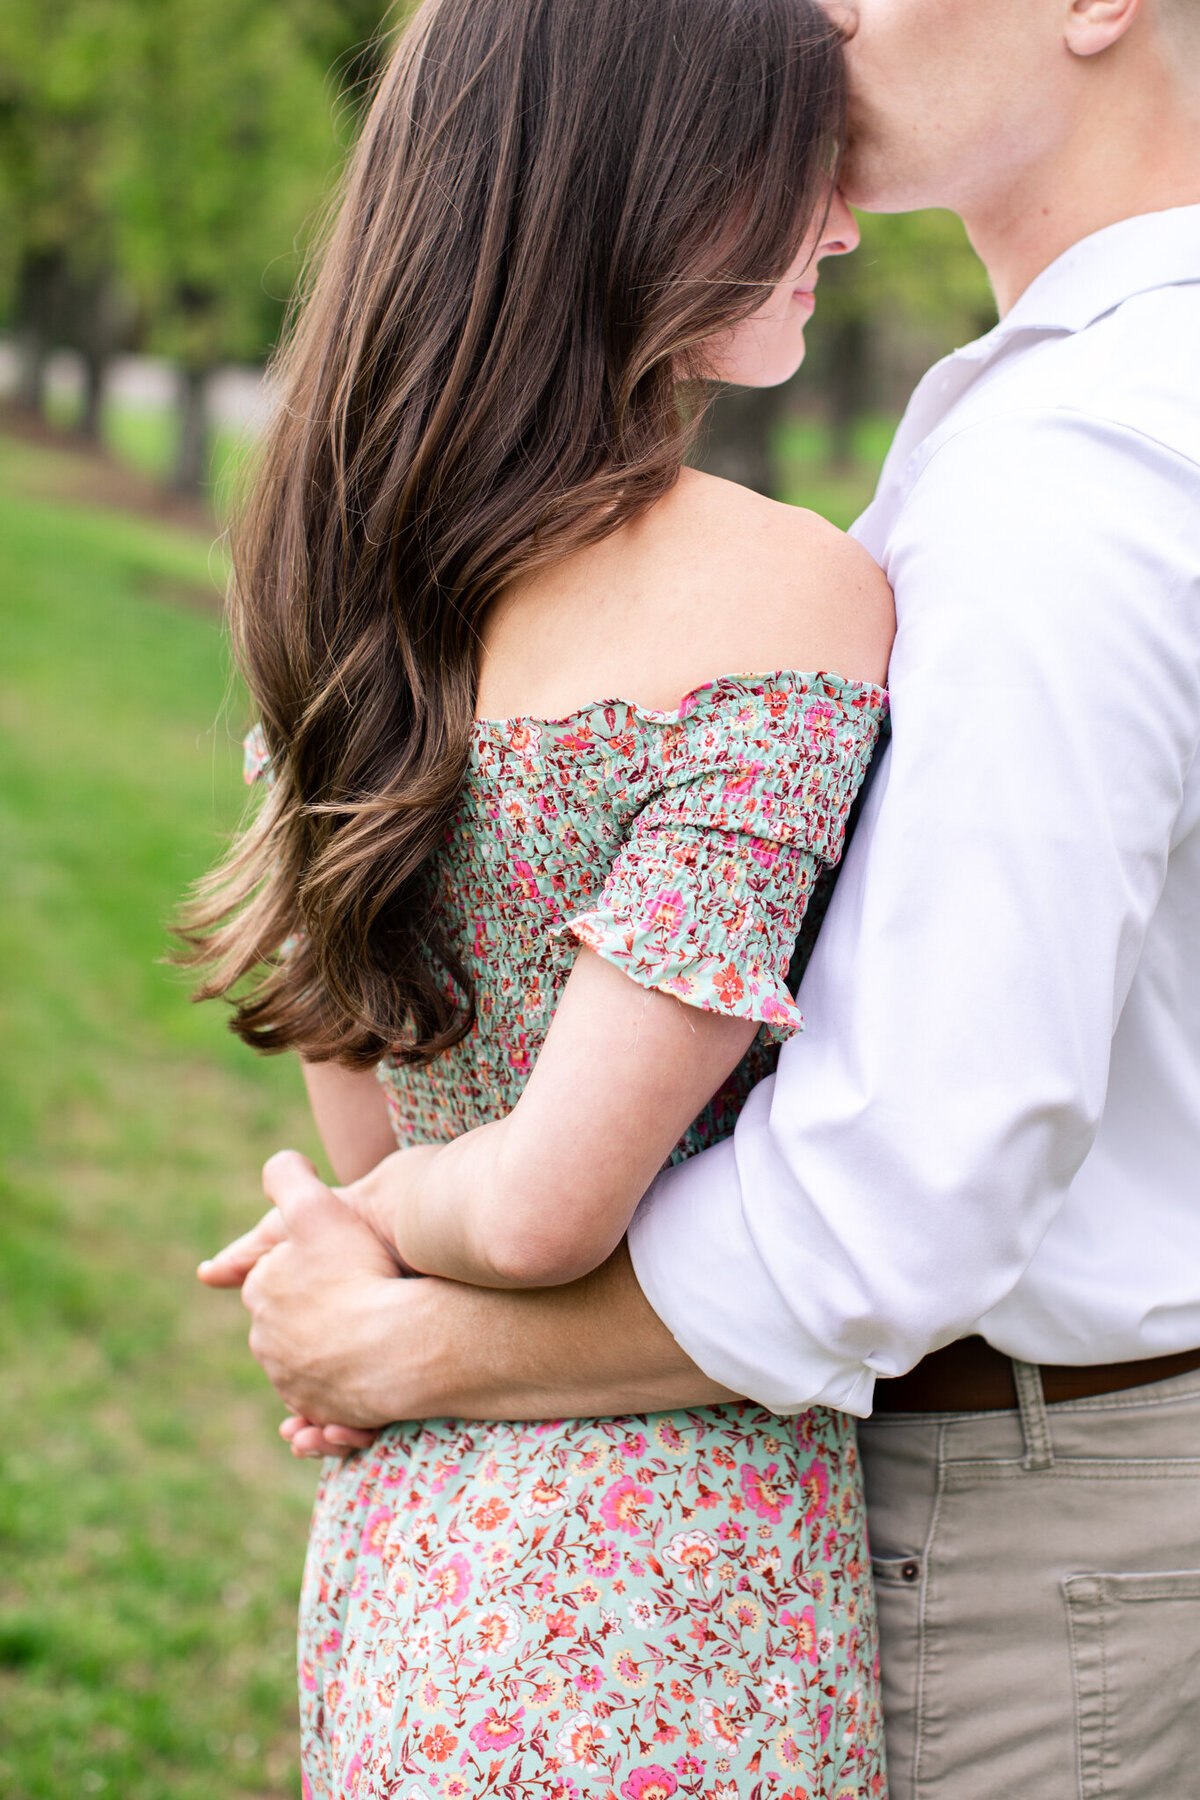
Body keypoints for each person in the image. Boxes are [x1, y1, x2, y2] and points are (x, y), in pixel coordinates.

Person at [205, 0, 1200, 1792]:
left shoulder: (1071, 466)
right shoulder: (881, 521)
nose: (812, 33)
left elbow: (905, 1189)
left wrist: (395, 1320)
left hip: (593, 1527)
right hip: (707, 1551)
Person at [187, 0, 898, 1793]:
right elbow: (542, 1212)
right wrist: (406, 1220)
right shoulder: (780, 595)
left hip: (408, 1550)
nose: (842, 220)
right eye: (797, 160)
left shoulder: (335, 593)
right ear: (646, 178)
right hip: (667, 1598)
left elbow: (372, 1144)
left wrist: (357, 1238)